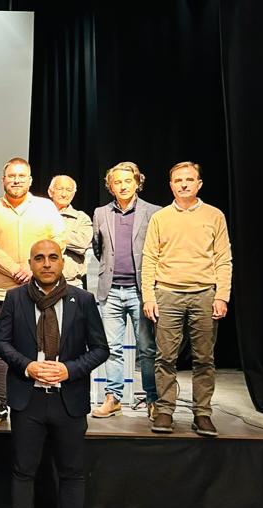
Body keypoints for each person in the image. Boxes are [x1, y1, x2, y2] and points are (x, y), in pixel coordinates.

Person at [0, 239, 108, 508]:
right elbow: (1, 342)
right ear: (30, 263)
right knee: (22, 472)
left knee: (72, 474)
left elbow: (100, 349)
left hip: (68, 400)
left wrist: (70, 369)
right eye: (39, 258)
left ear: (62, 262)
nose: (46, 263)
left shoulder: (83, 300)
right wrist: (27, 366)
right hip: (28, 399)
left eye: (52, 258)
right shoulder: (15, 299)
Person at [142, 162, 232, 436]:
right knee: (165, 357)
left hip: (204, 294)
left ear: (199, 184)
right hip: (167, 293)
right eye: (178, 180)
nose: (183, 184)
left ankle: (202, 414)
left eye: (189, 179)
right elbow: (149, 259)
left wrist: (222, 296)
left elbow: (223, 259)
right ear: (170, 185)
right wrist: (149, 296)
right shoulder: (160, 218)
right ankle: (165, 410)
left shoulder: (214, 215)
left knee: (204, 358)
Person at [0, 157, 65, 426]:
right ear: (3, 180)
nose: (15, 180)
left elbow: (58, 240)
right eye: (11, 176)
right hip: (0, 292)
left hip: (39, 292)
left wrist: (31, 268)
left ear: (30, 180)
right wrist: (16, 269)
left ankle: (39, 399)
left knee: (41, 346)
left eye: (21, 176)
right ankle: (0, 402)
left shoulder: (46, 207)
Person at [91, 162, 162, 419]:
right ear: (110, 186)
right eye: (117, 182)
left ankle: (153, 399)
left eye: (127, 181)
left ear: (137, 183)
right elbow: (98, 249)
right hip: (110, 291)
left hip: (141, 291)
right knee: (112, 348)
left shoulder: (154, 212)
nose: (122, 186)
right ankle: (114, 397)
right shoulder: (100, 213)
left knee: (146, 348)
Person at [47, 175, 93, 289]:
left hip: (72, 283)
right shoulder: (39, 214)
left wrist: (53, 232)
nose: (64, 194)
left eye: (69, 190)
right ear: (50, 192)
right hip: (40, 282)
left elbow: (83, 243)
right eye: (59, 189)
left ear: (73, 194)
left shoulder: (81, 218)